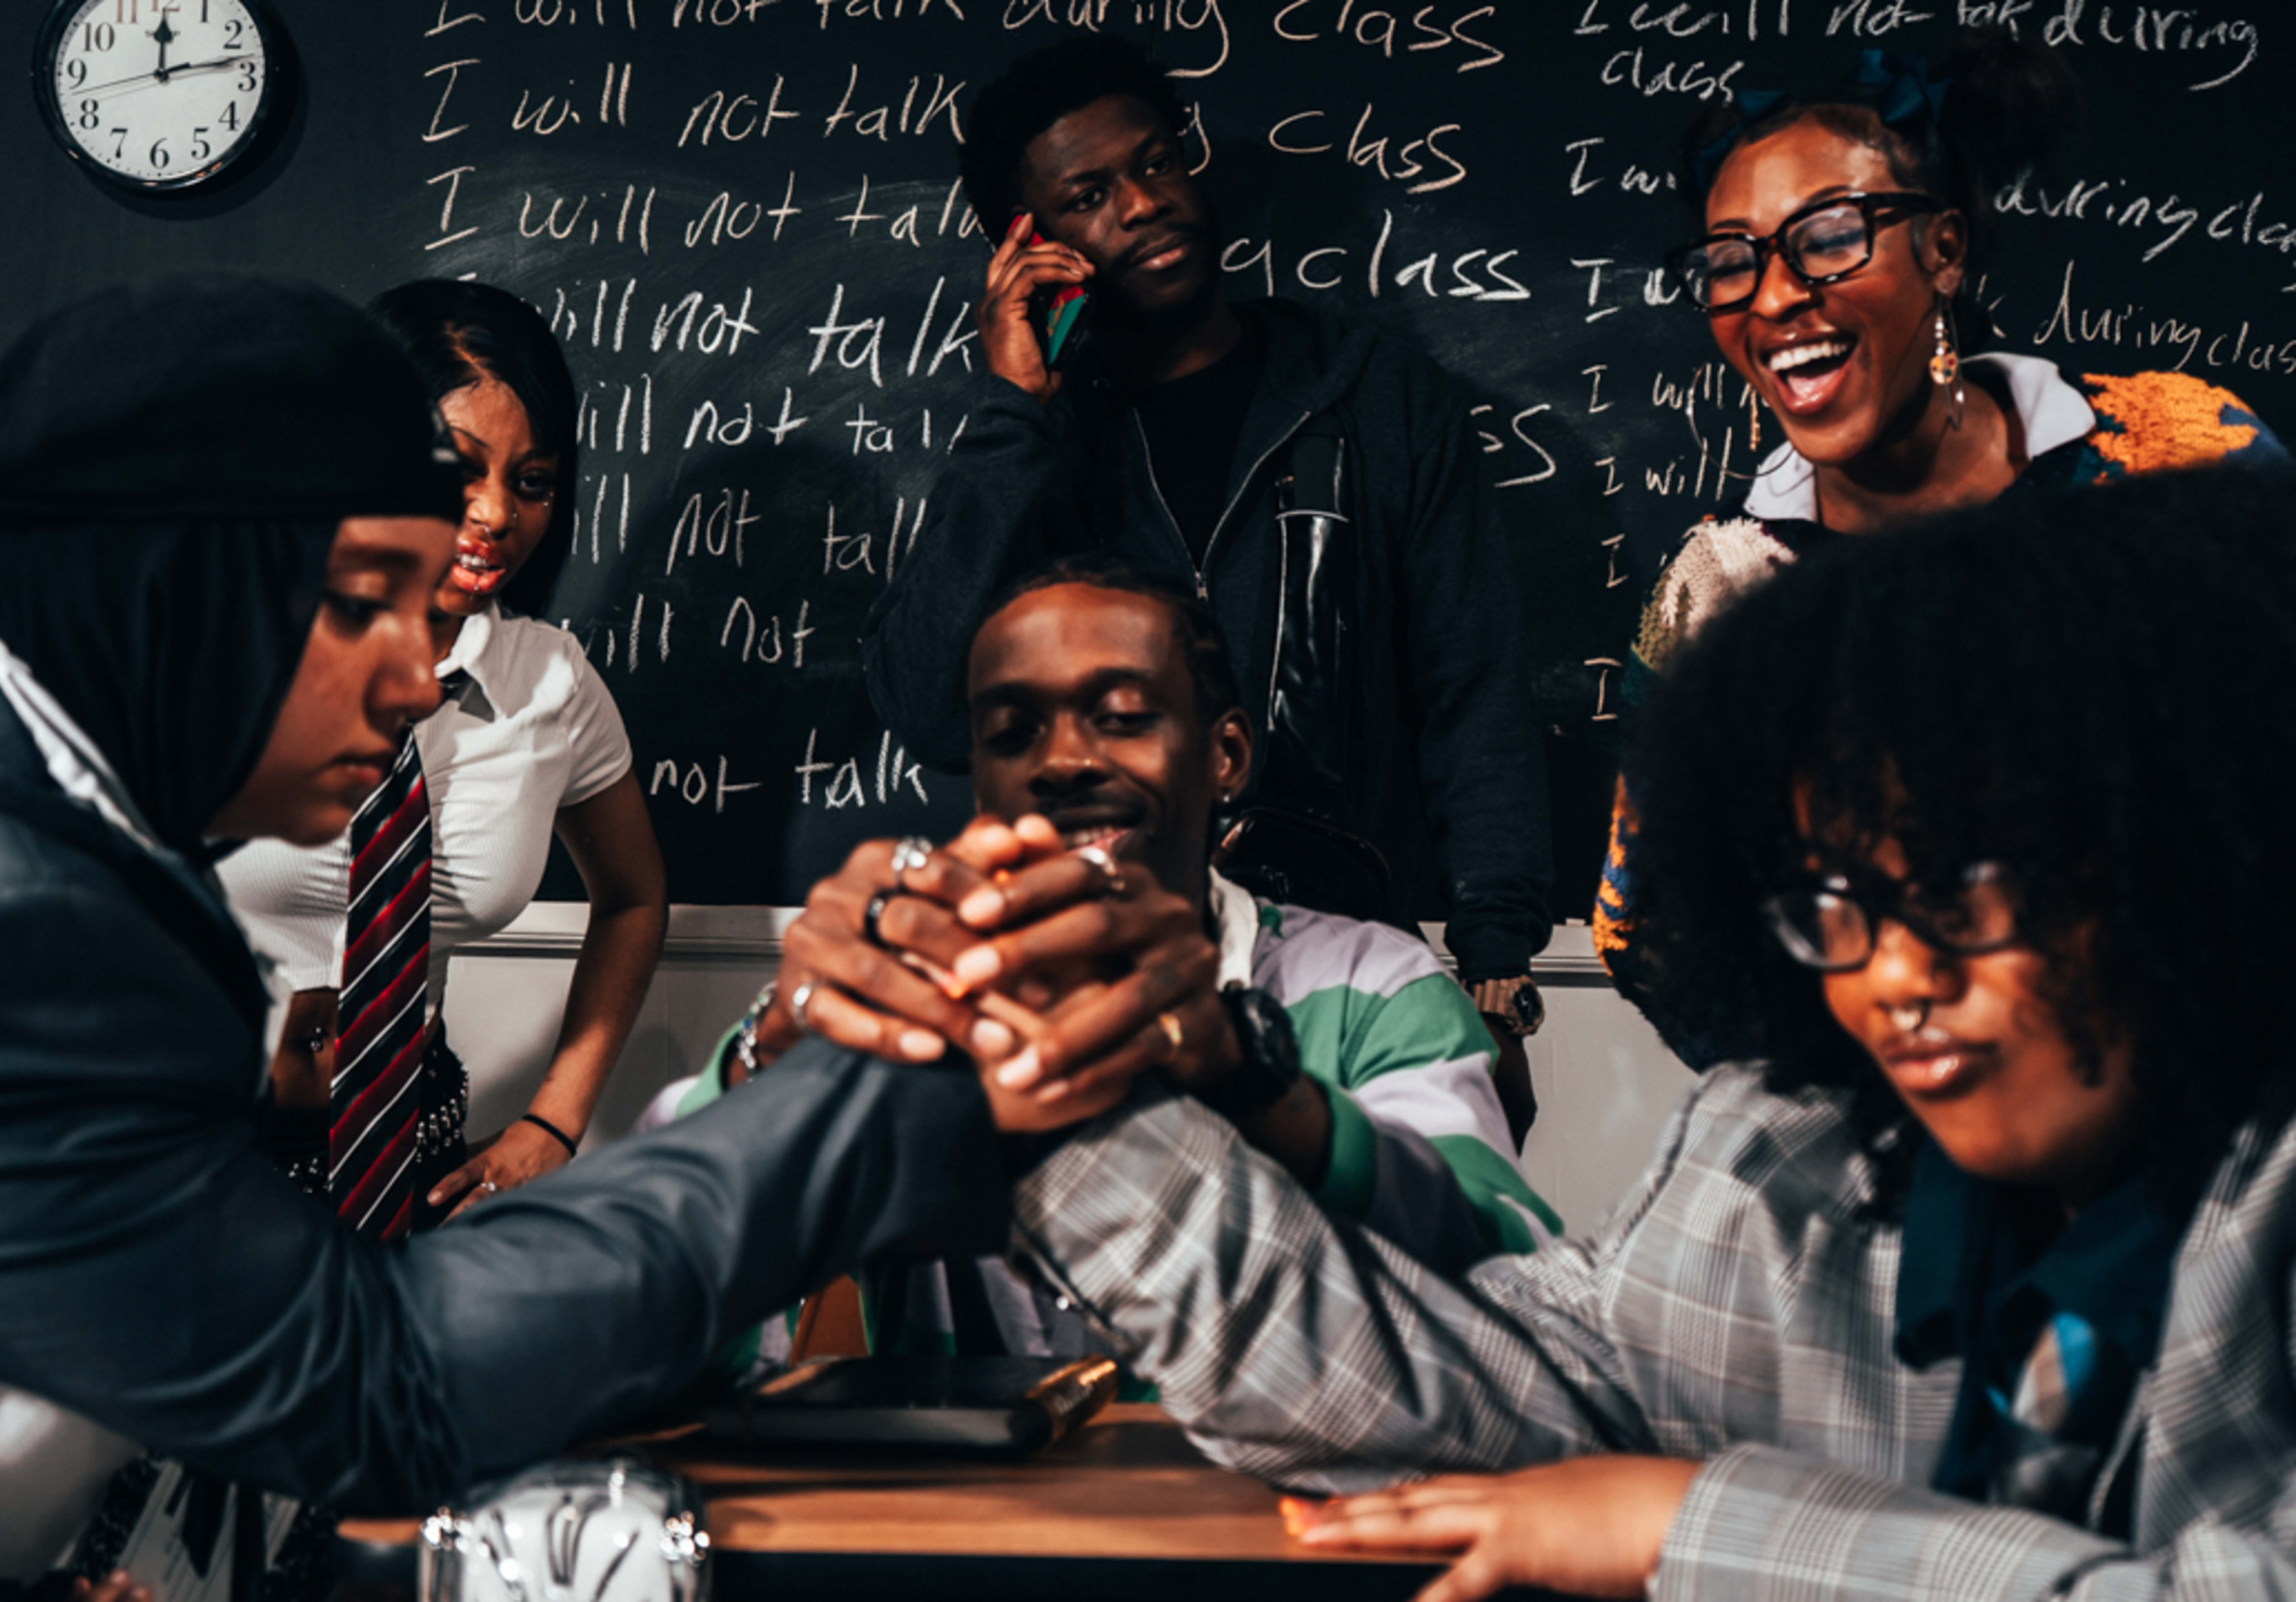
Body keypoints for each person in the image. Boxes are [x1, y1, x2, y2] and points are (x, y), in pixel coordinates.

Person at [0, 277, 1024, 1593]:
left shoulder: (12, 816)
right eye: (364, 597)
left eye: (430, 606)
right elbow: (385, 1385)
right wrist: (860, 1097)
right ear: (183, 585)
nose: (420, 677)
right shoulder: (3, 937)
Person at [993, 467, 2296, 1599]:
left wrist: (1689, 1524)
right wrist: (1050, 1064)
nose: (1895, 978)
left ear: (2178, 853)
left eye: (1959, 895)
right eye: (1836, 901)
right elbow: (1417, 1384)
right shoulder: (1781, 1168)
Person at [860, 35, 1554, 1128]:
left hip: (1350, 985)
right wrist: (1009, 417)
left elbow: (1474, 692)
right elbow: (927, 713)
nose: (1144, 204)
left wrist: (1498, 978)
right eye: (1091, 194)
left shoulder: (1376, 400)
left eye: (1157, 163)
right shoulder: (1037, 445)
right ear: (1029, 248)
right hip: (1091, 989)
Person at [652, 557, 1555, 1365]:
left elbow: (1524, 1304)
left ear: (1226, 754)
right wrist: (764, 1069)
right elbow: (655, 1325)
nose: (1064, 763)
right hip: (976, 1533)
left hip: (1281, 1532)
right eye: (1011, 735)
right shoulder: (912, 1006)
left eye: (1122, 718)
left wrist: (1254, 1081)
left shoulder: (1368, 992)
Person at [1595, 34, 2288, 1063]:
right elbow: (1646, 926)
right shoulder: (1729, 595)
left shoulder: (2172, 459)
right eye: (1731, 261)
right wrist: (1876, 1098)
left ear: (1946, 250)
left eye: (1829, 236)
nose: (1775, 296)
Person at [218, 278, 666, 1220]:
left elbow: (634, 898)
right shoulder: (228, 641)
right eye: (459, 466)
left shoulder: (551, 683)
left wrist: (556, 1121)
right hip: (192, 1146)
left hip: (406, 1151)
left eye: (532, 481)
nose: (498, 515)